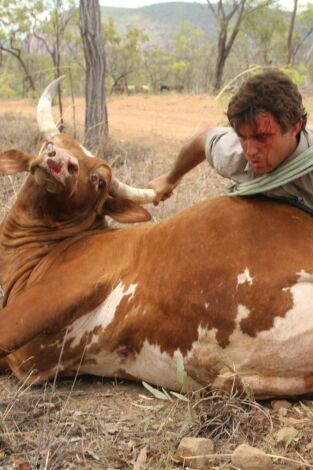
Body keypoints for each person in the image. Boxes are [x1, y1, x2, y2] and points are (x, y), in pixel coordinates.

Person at [147, 69, 313, 212]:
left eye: (261, 137)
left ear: (295, 127)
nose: (250, 151)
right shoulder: (235, 155)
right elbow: (203, 139)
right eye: (241, 136)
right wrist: (170, 179)